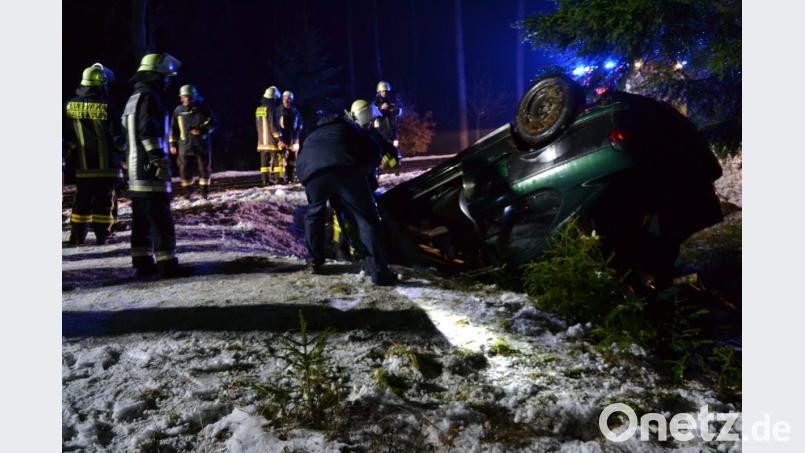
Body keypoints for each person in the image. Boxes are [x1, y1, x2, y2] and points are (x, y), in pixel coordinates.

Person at [296, 99, 398, 286]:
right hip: (345, 170)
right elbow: (369, 155)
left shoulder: (315, 133)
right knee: (366, 218)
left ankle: (313, 262)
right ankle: (379, 272)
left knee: (314, 214)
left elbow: (304, 158)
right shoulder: (350, 130)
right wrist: (378, 164)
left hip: (312, 174)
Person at [121, 53, 185, 277]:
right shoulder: (150, 97)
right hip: (150, 171)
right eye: (165, 77)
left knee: (141, 221)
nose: (168, 81)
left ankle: (142, 263)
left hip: (135, 170)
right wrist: (159, 159)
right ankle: (167, 265)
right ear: (155, 76)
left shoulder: (134, 97)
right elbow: (147, 131)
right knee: (160, 219)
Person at [63, 63, 125, 246]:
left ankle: (77, 236)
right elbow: (118, 138)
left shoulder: (68, 106)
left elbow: (66, 136)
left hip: (82, 166)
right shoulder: (108, 106)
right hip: (107, 166)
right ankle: (102, 235)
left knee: (81, 200)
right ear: (101, 84)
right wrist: (125, 154)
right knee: (104, 201)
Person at [169, 84, 217, 199]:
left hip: (202, 145)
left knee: (204, 170)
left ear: (193, 96)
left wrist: (202, 130)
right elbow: (173, 129)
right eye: (183, 97)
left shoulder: (204, 108)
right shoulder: (178, 111)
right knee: (184, 170)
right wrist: (172, 144)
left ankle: (204, 193)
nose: (184, 99)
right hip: (184, 146)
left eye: (186, 97)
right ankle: (188, 193)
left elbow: (213, 124)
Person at [255, 86, 282, 185]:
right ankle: (278, 179)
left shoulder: (259, 109)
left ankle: (265, 180)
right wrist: (278, 138)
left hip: (262, 141)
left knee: (264, 161)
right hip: (271, 140)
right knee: (277, 158)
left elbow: (258, 124)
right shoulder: (272, 109)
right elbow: (273, 125)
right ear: (273, 98)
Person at [276, 90, 303, 182]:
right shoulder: (278, 111)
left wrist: (296, 139)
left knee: (292, 158)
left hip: (293, 138)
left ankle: (291, 176)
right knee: (281, 158)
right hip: (282, 138)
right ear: (282, 99)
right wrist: (279, 138)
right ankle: (280, 178)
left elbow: (299, 125)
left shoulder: (295, 111)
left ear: (292, 100)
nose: (286, 100)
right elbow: (276, 125)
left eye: (288, 98)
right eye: (285, 98)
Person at [373, 80, 403, 149]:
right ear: (379, 91)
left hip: (393, 133)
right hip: (382, 134)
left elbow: (400, 112)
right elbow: (373, 116)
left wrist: (396, 109)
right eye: (383, 91)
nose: (385, 93)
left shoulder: (391, 102)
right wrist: (381, 109)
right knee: (385, 153)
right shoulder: (375, 104)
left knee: (395, 151)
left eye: (386, 91)